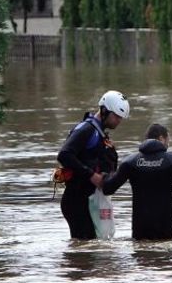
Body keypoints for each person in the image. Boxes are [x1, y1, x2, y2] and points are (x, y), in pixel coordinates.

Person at [102, 124, 172, 240]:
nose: (168, 144)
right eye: (168, 140)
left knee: (142, 250)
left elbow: (108, 189)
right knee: (166, 250)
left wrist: (106, 173)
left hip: (141, 228)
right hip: (167, 228)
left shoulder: (130, 162)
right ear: (161, 139)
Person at [57, 90, 129, 240]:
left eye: (121, 118)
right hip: (77, 200)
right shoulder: (87, 129)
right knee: (86, 245)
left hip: (89, 199)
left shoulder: (100, 134)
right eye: (116, 116)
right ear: (104, 111)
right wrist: (91, 175)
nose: (119, 121)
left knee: (90, 247)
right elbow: (64, 155)